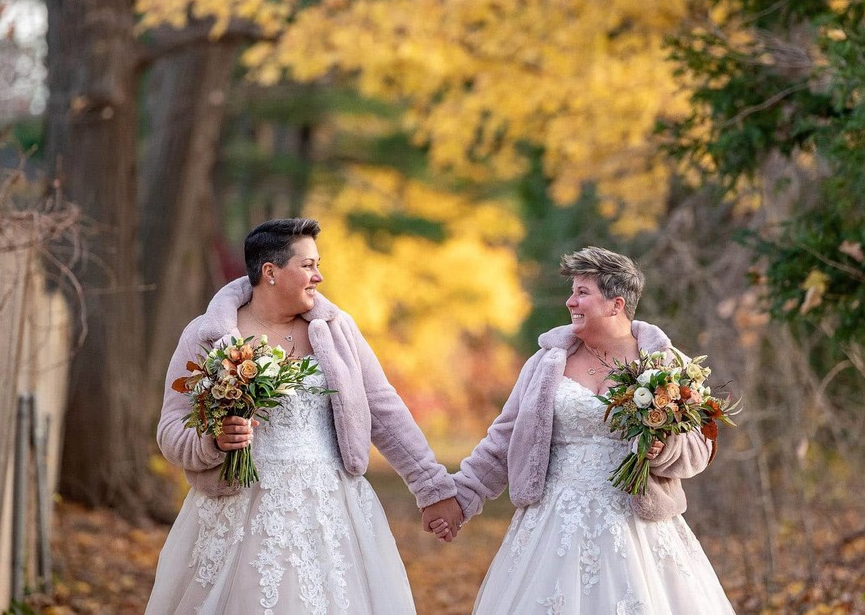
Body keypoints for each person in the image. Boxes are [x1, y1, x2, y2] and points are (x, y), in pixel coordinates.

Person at [147, 217, 463, 614]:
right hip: (238, 513)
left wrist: (432, 489)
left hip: (330, 512)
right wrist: (213, 442)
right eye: (308, 265)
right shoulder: (208, 335)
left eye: (318, 264)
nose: (319, 275)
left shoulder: (337, 331)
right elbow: (171, 429)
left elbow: (385, 410)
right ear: (271, 272)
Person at [425, 246, 734, 613]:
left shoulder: (668, 365)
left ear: (616, 305)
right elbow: (503, 441)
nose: (571, 302)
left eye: (582, 293)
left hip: (639, 526)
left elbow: (699, 450)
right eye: (572, 292)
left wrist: (662, 450)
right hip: (553, 524)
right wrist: (459, 500)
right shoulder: (546, 364)